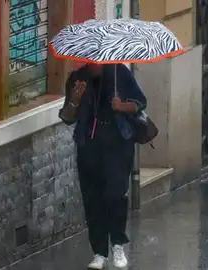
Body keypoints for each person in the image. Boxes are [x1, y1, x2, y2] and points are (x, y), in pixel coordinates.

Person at [59, 63, 146, 269]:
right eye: (89, 59)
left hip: (118, 145)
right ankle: (99, 252)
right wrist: (74, 101)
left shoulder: (119, 73)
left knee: (115, 194)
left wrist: (121, 106)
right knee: (93, 198)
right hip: (89, 146)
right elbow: (67, 117)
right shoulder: (77, 78)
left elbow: (140, 103)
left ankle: (117, 245)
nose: (93, 63)